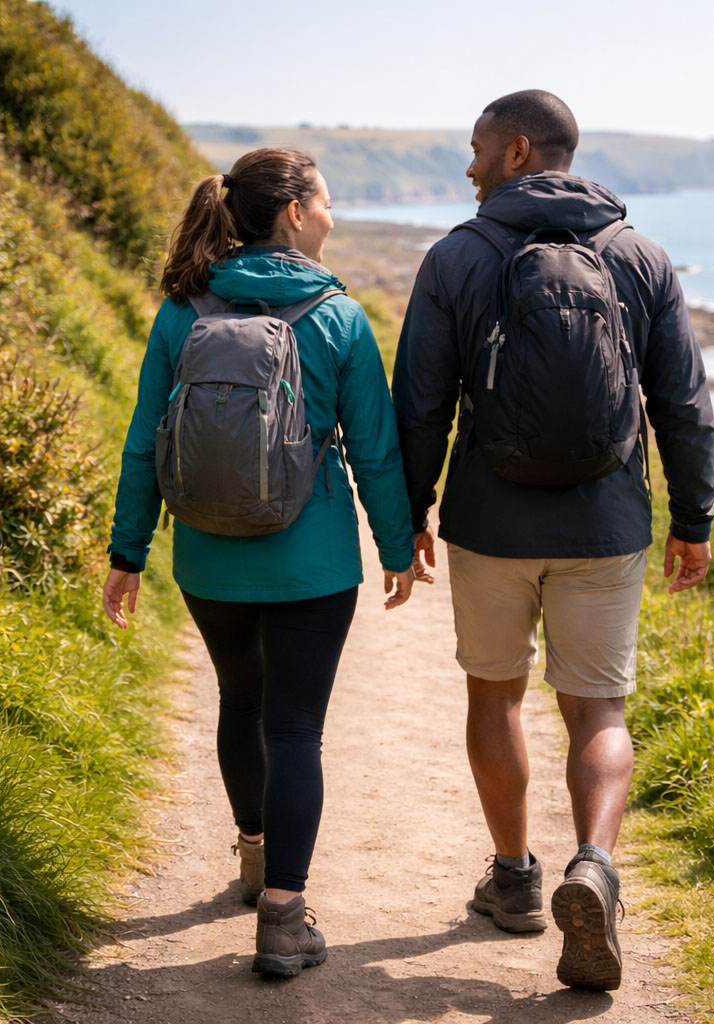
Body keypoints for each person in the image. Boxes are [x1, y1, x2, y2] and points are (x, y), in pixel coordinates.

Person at [391, 90, 714, 991]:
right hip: (606, 525)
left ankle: (515, 879)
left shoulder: (457, 256)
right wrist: (694, 521)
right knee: (599, 710)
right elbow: (683, 403)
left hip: (491, 526)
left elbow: (420, 404)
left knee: (496, 697)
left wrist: (407, 515)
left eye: (477, 149)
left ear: (519, 151)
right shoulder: (640, 256)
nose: (468, 166)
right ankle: (595, 870)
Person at [102, 147, 420, 979]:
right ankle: (283, 915)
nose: (333, 215)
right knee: (297, 729)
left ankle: (251, 853)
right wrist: (397, 548)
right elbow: (376, 452)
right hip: (312, 563)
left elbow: (145, 443)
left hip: (208, 557)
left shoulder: (182, 310)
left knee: (241, 702)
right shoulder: (339, 316)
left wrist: (127, 552)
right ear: (293, 213)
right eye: (325, 201)